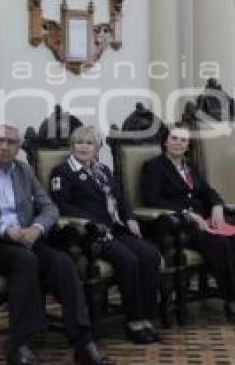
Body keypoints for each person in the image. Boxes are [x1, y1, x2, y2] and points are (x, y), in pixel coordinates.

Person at [0, 124, 108, 365]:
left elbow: (49, 208)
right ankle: (19, 343)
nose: (4, 146)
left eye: (11, 142)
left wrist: (37, 228)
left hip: (26, 239)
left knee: (63, 262)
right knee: (26, 261)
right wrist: (5, 229)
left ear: (19, 148)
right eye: (0, 140)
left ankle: (83, 342)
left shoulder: (24, 171)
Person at [141, 123, 235, 325]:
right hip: (179, 227)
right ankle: (233, 301)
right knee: (220, 245)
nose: (178, 143)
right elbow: (152, 199)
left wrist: (217, 206)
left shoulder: (190, 166)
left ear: (188, 145)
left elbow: (208, 191)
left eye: (183, 140)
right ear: (165, 142)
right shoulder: (154, 167)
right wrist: (185, 213)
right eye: (174, 138)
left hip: (205, 221)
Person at [49, 126, 163, 344]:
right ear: (72, 146)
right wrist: (97, 225)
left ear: (97, 148)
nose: (84, 147)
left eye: (89, 143)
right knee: (128, 261)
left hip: (117, 228)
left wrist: (129, 217)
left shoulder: (104, 170)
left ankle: (148, 316)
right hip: (91, 233)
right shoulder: (62, 173)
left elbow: (121, 198)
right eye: (79, 143)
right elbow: (61, 206)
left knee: (149, 255)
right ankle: (133, 321)